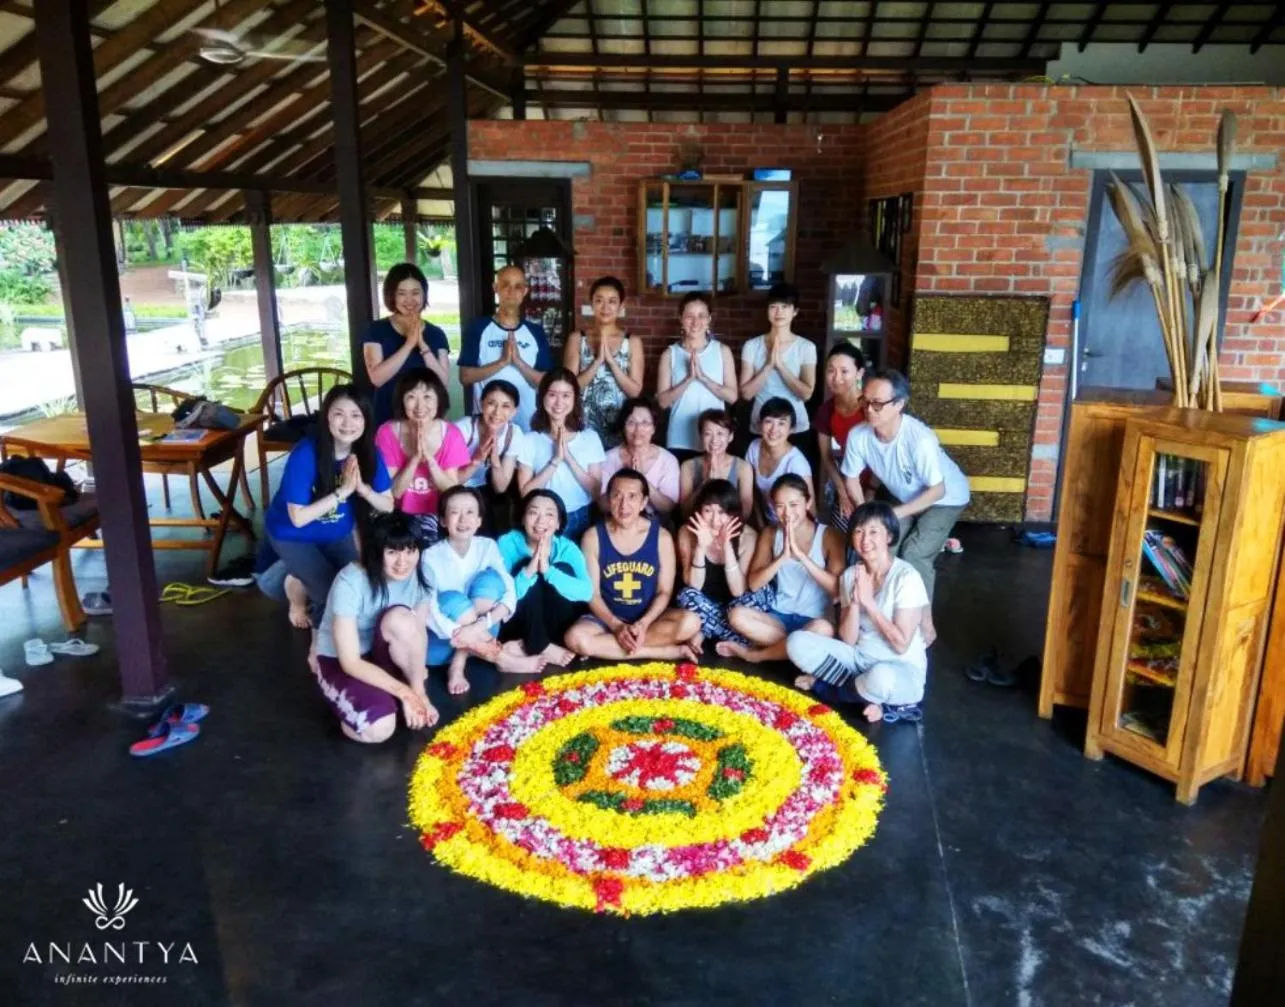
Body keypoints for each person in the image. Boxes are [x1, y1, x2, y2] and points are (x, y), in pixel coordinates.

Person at [841, 369, 970, 646]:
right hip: (906, 495)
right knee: (880, 545)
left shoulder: (919, 439)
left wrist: (892, 514)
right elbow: (850, 477)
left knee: (915, 553)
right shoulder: (858, 435)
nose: (869, 409)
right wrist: (868, 518)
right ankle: (878, 615)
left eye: (878, 403)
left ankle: (925, 626)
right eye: (865, 401)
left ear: (899, 404)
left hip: (946, 497)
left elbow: (938, 489)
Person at [262, 384, 393, 638]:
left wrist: (364, 490)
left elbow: (388, 504)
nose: (347, 423)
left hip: (335, 531)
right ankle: (320, 649)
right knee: (329, 595)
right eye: (339, 414)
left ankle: (294, 574)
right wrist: (343, 492)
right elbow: (298, 518)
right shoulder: (306, 454)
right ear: (326, 417)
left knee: (355, 585)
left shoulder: (369, 453)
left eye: (356, 415)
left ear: (366, 420)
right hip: (292, 534)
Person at [786, 502, 929, 724]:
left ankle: (834, 692)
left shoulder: (906, 578)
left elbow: (901, 644)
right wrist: (854, 602)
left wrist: (869, 604)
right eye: (859, 531)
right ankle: (864, 695)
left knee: (880, 678)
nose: (865, 540)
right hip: (859, 660)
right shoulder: (851, 574)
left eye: (873, 532)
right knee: (796, 642)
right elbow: (848, 639)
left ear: (889, 537)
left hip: (899, 668)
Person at [313, 512, 437, 744]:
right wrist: (405, 692)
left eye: (410, 551)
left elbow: (416, 632)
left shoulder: (423, 574)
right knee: (379, 729)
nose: (403, 562)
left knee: (403, 619)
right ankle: (352, 707)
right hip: (342, 661)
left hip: (381, 653)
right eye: (392, 552)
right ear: (376, 552)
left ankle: (389, 695)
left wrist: (419, 693)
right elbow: (349, 662)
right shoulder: (350, 582)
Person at [565, 468, 703, 662]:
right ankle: (666, 651)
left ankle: (608, 648)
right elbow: (592, 593)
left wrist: (644, 623)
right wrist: (616, 626)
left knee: (691, 622)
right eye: (617, 496)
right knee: (575, 638)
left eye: (632, 497)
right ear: (608, 499)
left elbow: (664, 591)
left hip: (649, 621)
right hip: (605, 620)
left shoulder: (661, 537)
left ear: (643, 502)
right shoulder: (593, 536)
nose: (624, 505)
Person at [719, 474, 845, 664]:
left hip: (813, 621)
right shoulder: (770, 533)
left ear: (808, 503)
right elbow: (753, 584)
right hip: (778, 619)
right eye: (780, 506)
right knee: (737, 615)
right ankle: (793, 651)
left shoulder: (829, 535)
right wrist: (782, 557)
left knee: (824, 630)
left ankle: (758, 655)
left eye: (794, 505)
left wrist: (802, 557)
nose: (787, 513)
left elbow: (837, 589)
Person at [420, 486, 520, 695]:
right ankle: (501, 658)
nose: (463, 519)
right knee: (451, 600)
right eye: (455, 512)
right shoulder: (430, 556)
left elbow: (509, 588)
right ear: (443, 520)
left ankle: (457, 667)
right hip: (443, 642)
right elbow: (428, 610)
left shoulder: (487, 546)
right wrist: (461, 632)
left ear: (479, 521)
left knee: (493, 580)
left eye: (470, 512)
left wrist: (476, 629)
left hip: (483, 634)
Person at [497, 489, 592, 670]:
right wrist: (529, 569)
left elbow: (586, 592)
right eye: (533, 513)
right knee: (523, 565)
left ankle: (526, 646)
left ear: (558, 523)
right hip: (518, 621)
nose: (541, 521)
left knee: (563, 568)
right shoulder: (507, 542)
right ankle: (539, 645)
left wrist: (548, 571)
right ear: (523, 518)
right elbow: (502, 598)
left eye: (549, 514)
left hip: (555, 623)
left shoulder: (566, 548)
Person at [374, 368, 468, 543]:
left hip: (437, 514)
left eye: (427, 397)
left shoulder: (451, 434)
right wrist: (414, 459)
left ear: (438, 400)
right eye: (411, 397)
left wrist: (430, 461)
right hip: (396, 512)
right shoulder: (387, 432)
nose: (420, 406)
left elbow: (451, 490)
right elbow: (394, 492)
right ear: (401, 401)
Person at [458, 264, 553, 430]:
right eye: (505, 285)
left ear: (525, 291)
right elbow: (465, 377)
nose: (511, 291)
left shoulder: (535, 332)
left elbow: (545, 383)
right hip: (487, 424)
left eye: (518, 286)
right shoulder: (477, 329)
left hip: (526, 424)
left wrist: (518, 362)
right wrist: (502, 362)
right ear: (496, 288)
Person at [516, 368, 605, 540]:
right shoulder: (529, 440)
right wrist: (555, 461)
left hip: (581, 517)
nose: (558, 403)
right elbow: (526, 493)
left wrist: (569, 458)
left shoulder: (590, 438)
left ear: (575, 399)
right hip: (542, 522)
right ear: (542, 397)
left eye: (566, 395)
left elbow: (596, 491)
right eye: (552, 395)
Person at [362, 263, 450, 426]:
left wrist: (423, 346)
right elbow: (377, 378)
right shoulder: (375, 330)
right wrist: (409, 345)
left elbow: (442, 381)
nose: (409, 300)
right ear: (392, 296)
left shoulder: (436, 334)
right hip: (386, 418)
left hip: (426, 420)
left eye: (415, 293)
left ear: (424, 294)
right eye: (402, 293)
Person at [676, 478, 757, 647]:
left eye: (722, 512)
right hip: (702, 602)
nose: (715, 520)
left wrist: (727, 546)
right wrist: (700, 546)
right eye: (708, 511)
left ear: (732, 514)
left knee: (748, 604)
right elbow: (694, 586)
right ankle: (735, 637)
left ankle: (705, 630)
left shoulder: (748, 536)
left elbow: (738, 591)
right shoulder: (686, 532)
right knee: (687, 596)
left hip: (733, 606)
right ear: (699, 511)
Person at [563, 276, 644, 447]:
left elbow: (635, 391)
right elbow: (568, 388)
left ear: (621, 306)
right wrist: (597, 361)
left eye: (612, 301)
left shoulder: (632, 342)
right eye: (599, 300)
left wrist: (612, 363)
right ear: (591, 304)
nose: (605, 307)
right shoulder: (577, 339)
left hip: (620, 427)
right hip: (582, 424)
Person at [655, 291, 738, 457]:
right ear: (681, 319)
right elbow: (662, 402)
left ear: (709, 319)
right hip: (679, 438)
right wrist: (688, 379)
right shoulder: (669, 354)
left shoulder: (722, 351)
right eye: (689, 316)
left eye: (701, 316)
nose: (695, 322)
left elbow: (732, 396)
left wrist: (703, 379)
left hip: (715, 440)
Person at [739, 282, 818, 451]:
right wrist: (768, 365)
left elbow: (806, 393)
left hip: (795, 427)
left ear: (795, 311)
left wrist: (781, 366)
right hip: (762, 424)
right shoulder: (752, 346)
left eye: (785, 306)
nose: (778, 312)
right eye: (773, 306)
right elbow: (746, 393)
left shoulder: (806, 347)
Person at [815, 342, 868, 532]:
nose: (836, 378)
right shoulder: (826, 410)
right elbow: (827, 457)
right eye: (831, 371)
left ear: (859, 373)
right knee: (840, 534)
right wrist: (842, 491)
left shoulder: (870, 407)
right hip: (848, 480)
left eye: (844, 371)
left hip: (879, 482)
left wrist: (869, 492)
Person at [598, 397, 680, 518]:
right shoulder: (608, 458)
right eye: (631, 423)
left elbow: (667, 508)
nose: (638, 429)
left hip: (655, 521)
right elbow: (602, 506)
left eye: (645, 423)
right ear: (623, 427)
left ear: (654, 428)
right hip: (616, 519)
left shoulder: (668, 460)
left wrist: (642, 479)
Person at [745, 396, 813, 526]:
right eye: (768, 421)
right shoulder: (754, 447)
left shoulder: (797, 463)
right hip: (765, 523)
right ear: (760, 425)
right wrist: (762, 528)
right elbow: (753, 493)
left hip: (791, 525)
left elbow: (809, 511)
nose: (774, 430)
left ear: (791, 429)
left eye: (782, 423)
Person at [678, 408, 754, 521]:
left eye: (720, 433)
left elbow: (746, 513)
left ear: (730, 436)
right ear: (701, 437)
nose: (714, 440)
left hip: (730, 527)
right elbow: (685, 512)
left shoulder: (743, 468)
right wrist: (707, 483)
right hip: (699, 525)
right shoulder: (688, 466)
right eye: (708, 434)